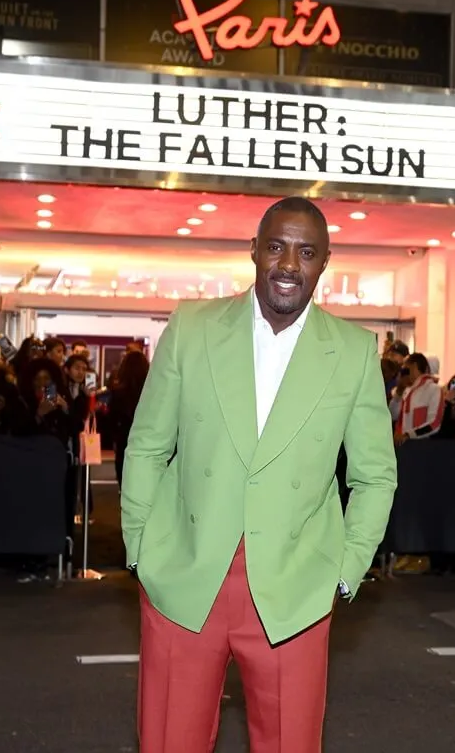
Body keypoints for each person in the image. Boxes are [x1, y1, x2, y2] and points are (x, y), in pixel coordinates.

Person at [121, 196, 397, 752]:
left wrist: (345, 571)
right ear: (253, 251)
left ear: (324, 262)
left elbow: (374, 476)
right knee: (169, 741)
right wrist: (140, 545)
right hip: (185, 570)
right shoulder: (192, 326)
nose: (289, 264)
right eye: (276, 246)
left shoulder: (353, 351)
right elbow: (148, 443)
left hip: (294, 584)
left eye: (306, 252)